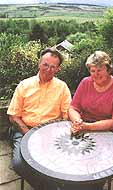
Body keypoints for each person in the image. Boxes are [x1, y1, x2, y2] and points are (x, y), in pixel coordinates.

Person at [7, 48, 72, 190]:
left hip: (51, 132)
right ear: (39, 63)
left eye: (53, 67)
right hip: (25, 130)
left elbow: (67, 115)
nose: (48, 69)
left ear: (57, 69)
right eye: (45, 64)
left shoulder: (62, 87)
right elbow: (13, 115)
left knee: (62, 161)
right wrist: (28, 133)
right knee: (19, 163)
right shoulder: (24, 85)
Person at [69, 50, 113, 140]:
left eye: (99, 70)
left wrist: (88, 127)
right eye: (93, 71)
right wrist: (77, 121)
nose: (96, 74)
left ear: (108, 70)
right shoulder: (85, 82)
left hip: (112, 131)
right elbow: (73, 108)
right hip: (86, 125)